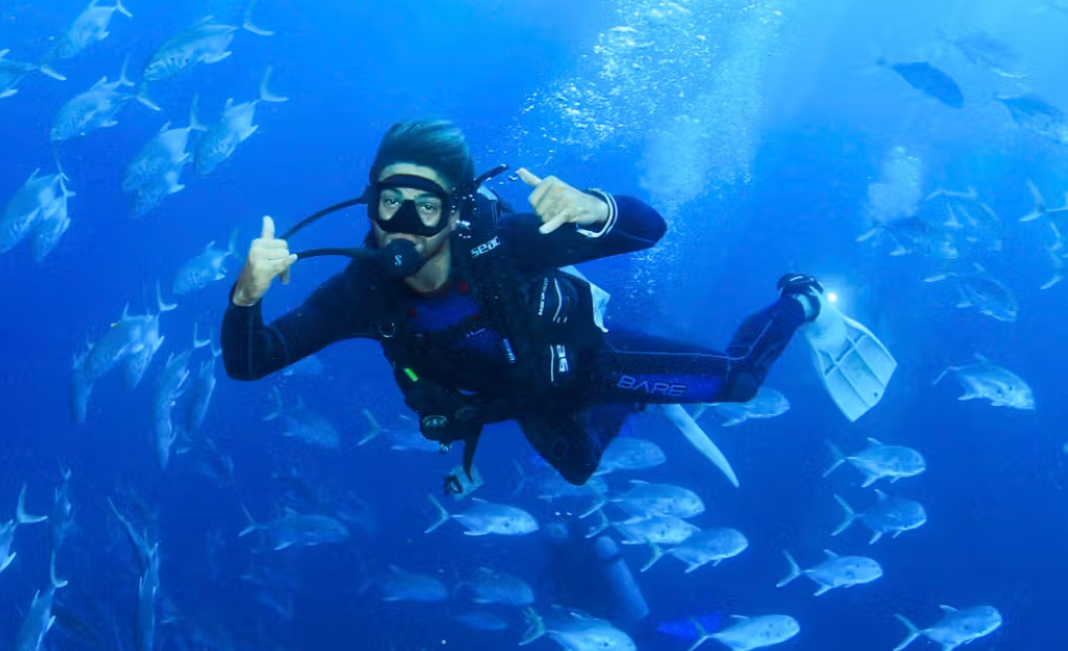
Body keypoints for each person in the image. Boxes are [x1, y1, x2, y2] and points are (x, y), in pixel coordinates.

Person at [221, 119, 892, 488]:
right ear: (370, 200)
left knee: (739, 383)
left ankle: (801, 302)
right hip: (521, 398)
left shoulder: (507, 245)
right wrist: (245, 298)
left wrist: (593, 208)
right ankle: (637, 401)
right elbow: (252, 361)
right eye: (390, 201)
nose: (402, 224)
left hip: (591, 362)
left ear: (456, 214)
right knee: (578, 470)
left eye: (426, 208)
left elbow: (650, 229)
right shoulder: (359, 293)